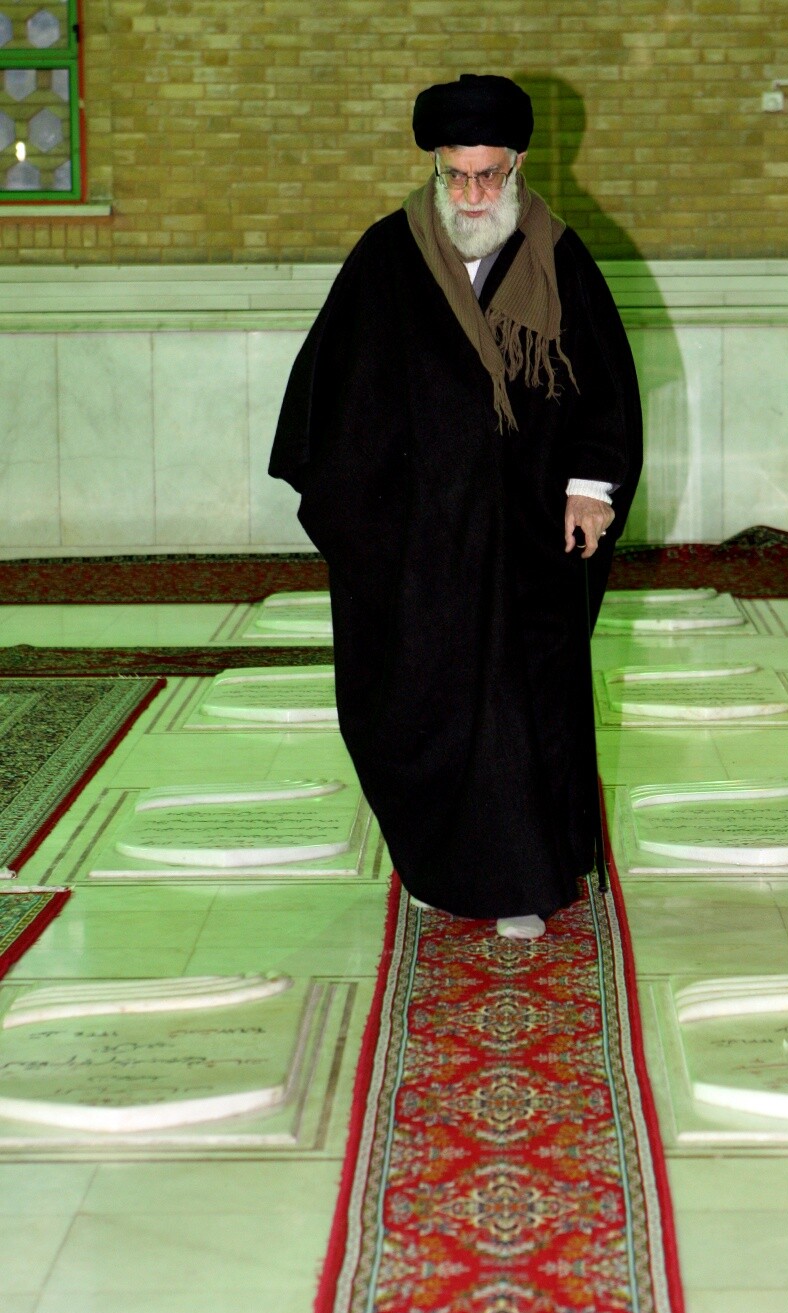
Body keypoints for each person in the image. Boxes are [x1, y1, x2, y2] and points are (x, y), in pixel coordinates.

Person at [269, 73, 642, 939]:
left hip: (524, 539)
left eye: (489, 175)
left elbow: (604, 390)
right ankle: (438, 865)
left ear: (517, 166)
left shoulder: (559, 256)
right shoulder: (387, 255)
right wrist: (360, 511)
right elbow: (331, 392)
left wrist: (591, 489)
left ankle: (521, 881)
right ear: (435, 167)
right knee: (415, 705)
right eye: (456, 175)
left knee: (521, 706)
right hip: (420, 543)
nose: (473, 194)